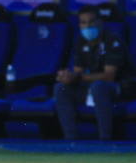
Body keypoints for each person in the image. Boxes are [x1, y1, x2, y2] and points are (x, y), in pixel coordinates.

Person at [53, 7, 125, 141]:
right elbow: (78, 72)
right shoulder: (80, 41)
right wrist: (68, 77)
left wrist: (78, 77)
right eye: (83, 22)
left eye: (91, 22)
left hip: (118, 87)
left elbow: (109, 76)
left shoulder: (112, 39)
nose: (87, 26)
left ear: (100, 22)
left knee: (98, 87)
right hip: (91, 87)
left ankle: (105, 140)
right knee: (61, 88)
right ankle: (71, 141)